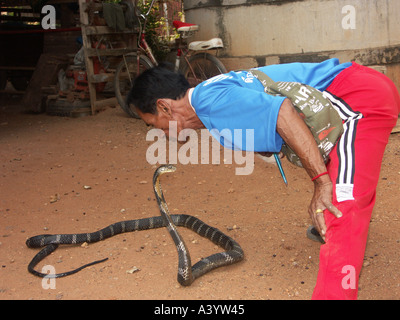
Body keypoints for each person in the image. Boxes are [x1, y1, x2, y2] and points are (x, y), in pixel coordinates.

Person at [127, 58, 400, 299]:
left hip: (358, 98)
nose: (160, 132)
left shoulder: (212, 102)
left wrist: (322, 182)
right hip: (345, 98)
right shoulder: (207, 101)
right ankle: (325, 221)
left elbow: (283, 113)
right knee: (328, 180)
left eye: (153, 125)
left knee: (341, 204)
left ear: (164, 107)